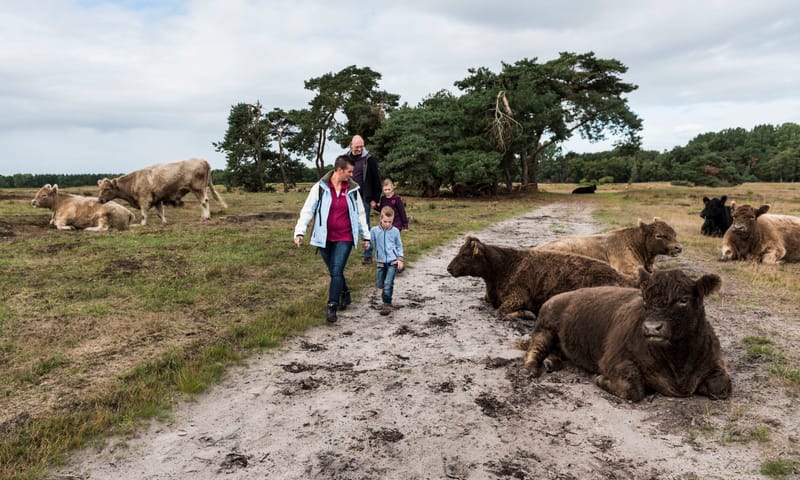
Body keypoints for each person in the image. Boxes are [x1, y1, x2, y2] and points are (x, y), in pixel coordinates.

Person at [293, 155, 371, 324]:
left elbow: (360, 214)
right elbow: (307, 210)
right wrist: (299, 232)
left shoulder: (352, 190)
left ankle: (332, 306)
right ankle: (345, 293)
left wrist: (366, 236)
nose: (351, 175)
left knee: (336, 271)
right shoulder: (320, 188)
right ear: (339, 170)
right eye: (349, 172)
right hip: (324, 238)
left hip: (345, 237)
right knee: (334, 271)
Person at [345, 135, 382, 264]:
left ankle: (367, 254)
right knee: (346, 224)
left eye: (362, 146)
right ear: (351, 145)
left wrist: (375, 199)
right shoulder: (345, 158)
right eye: (357, 147)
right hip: (348, 196)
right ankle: (344, 251)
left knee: (364, 225)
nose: (360, 149)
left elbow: (377, 180)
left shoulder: (369, 159)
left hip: (364, 197)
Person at [370, 206, 404, 316]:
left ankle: (387, 304)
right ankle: (385, 293)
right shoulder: (374, 231)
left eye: (390, 222)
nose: (388, 224)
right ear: (380, 219)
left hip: (392, 262)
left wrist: (400, 259)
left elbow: (399, 246)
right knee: (380, 284)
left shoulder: (395, 231)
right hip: (380, 261)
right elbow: (369, 242)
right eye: (385, 221)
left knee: (388, 283)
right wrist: (366, 244)